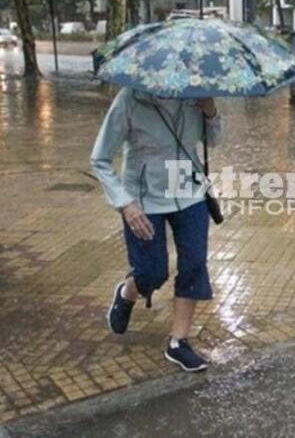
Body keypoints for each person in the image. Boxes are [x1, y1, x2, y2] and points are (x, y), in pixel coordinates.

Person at [90, 87, 222, 372]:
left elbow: (213, 140)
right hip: (142, 198)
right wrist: (125, 204)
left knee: (195, 264)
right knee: (152, 272)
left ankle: (178, 342)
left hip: (188, 190)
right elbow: (100, 159)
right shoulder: (130, 99)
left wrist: (210, 110)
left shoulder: (196, 93)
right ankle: (127, 293)